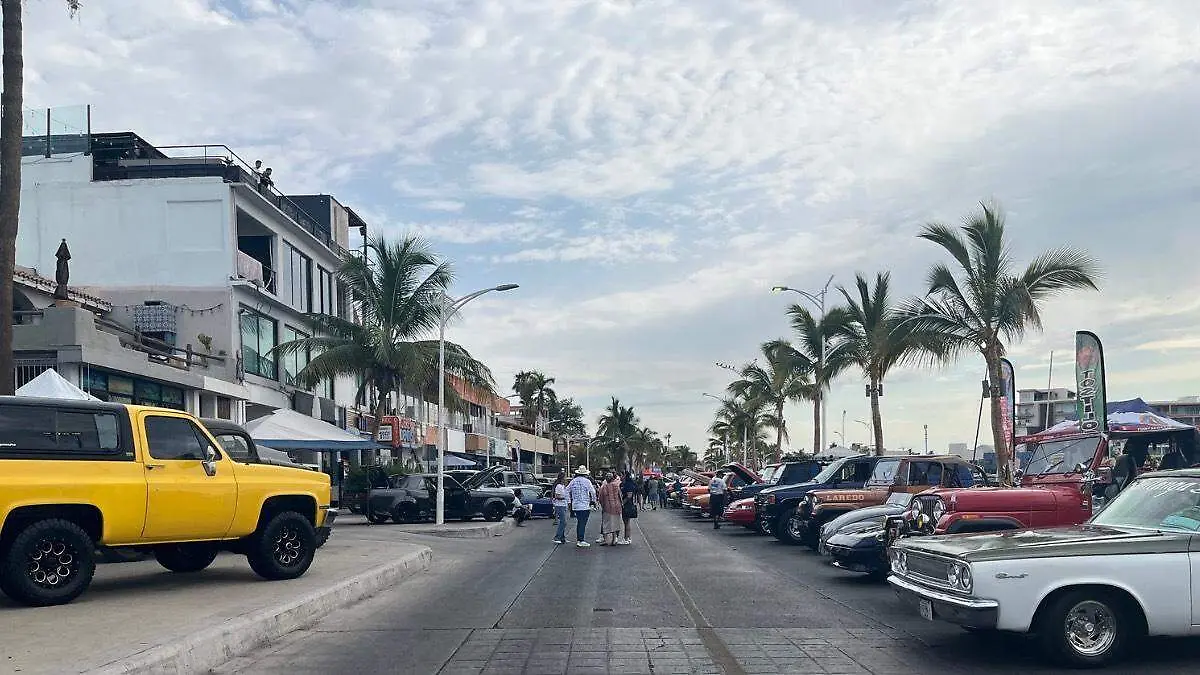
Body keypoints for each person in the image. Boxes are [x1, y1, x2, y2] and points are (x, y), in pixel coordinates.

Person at [567, 466, 597, 547]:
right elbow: (593, 492)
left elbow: (566, 491)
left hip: (576, 505)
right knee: (582, 523)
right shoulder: (587, 481)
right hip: (584, 505)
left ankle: (579, 539)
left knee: (580, 522)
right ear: (585, 474)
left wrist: (569, 501)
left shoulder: (573, 481)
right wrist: (593, 501)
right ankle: (580, 540)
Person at [597, 472, 623, 546]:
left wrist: (602, 505)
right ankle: (614, 539)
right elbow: (620, 496)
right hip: (616, 507)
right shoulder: (616, 486)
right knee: (615, 523)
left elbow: (600, 498)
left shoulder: (603, 487)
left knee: (606, 523)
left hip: (607, 507)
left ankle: (606, 540)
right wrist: (621, 505)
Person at [620, 471, 638, 544]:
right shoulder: (624, 484)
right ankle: (627, 538)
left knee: (626, 522)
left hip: (627, 505)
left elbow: (629, 495)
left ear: (625, 476)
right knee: (626, 522)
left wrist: (622, 503)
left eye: (621, 475)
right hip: (627, 504)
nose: (620, 477)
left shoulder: (628, 484)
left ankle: (626, 538)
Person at [551, 472, 569, 544]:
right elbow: (557, 496)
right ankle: (557, 537)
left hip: (563, 505)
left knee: (563, 522)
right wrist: (565, 498)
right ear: (562, 478)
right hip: (559, 505)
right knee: (563, 522)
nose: (566, 478)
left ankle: (562, 538)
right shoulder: (558, 486)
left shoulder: (563, 486)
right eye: (565, 477)